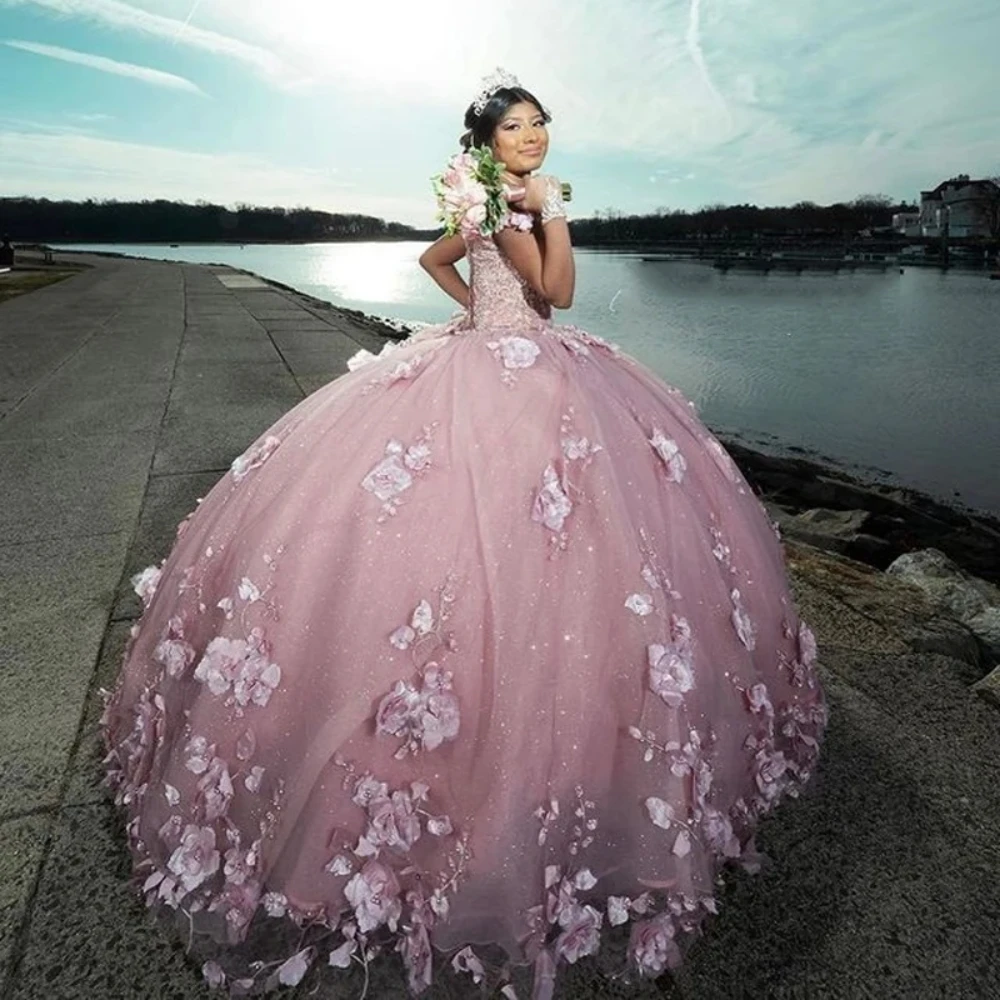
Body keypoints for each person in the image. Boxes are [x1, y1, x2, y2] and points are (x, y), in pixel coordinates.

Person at [101, 69, 827, 998]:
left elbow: (436, 262)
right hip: (522, 376)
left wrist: (475, 306)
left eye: (541, 125)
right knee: (525, 556)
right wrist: (551, 214)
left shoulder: (486, 203)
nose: (535, 137)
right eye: (518, 128)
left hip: (492, 352)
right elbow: (558, 290)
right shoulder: (521, 208)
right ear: (487, 144)